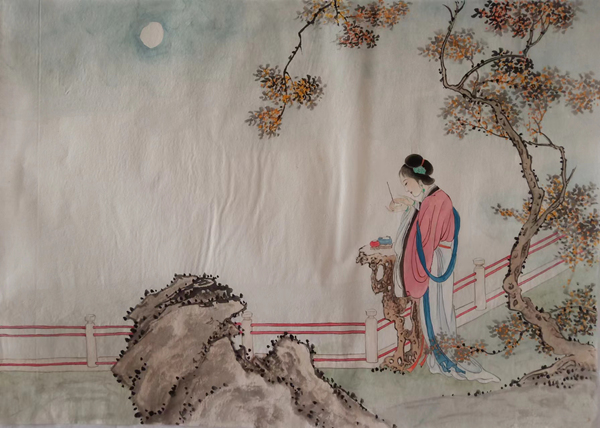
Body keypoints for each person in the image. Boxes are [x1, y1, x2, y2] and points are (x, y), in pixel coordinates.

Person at [387, 154, 499, 383]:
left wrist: (418, 278)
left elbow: (425, 244)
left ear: (418, 180)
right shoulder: (436, 198)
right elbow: (423, 217)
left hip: (435, 264)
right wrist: (409, 204)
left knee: (435, 315)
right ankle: (439, 360)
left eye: (407, 183)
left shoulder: (434, 202)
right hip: (440, 261)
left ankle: (445, 361)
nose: (406, 189)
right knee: (441, 314)